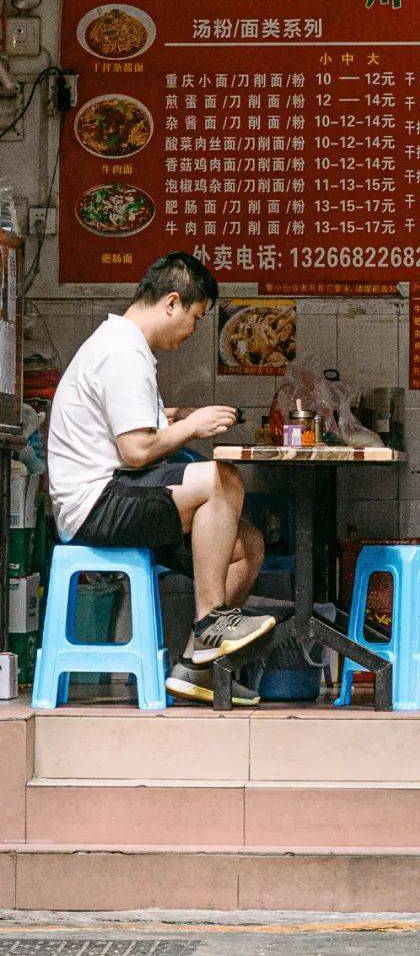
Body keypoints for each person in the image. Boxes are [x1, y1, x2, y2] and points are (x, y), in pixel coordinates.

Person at [47, 252, 275, 706]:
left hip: (113, 495)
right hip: (96, 503)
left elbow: (129, 423)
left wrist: (177, 415)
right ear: (171, 303)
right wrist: (193, 426)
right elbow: (135, 452)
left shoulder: (124, 345)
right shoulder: (122, 351)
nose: (192, 331)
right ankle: (212, 619)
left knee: (246, 546)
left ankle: (196, 669)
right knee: (221, 480)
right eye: (194, 317)